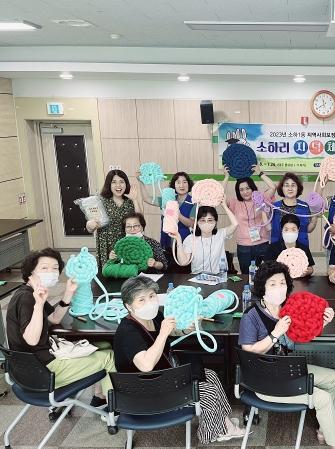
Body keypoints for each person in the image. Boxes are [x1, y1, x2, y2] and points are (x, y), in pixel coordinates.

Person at [113, 276, 244, 443]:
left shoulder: (154, 317)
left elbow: (170, 333)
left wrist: (185, 330)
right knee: (209, 393)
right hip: (145, 392)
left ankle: (223, 423)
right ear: (128, 306)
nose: (149, 303)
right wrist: (163, 333)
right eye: (141, 300)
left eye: (152, 296)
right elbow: (146, 365)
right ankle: (210, 434)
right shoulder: (128, 332)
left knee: (211, 375)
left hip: (161, 377)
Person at [238, 261, 335, 449]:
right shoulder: (251, 316)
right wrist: (275, 334)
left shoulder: (288, 309)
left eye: (282, 283)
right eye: (273, 284)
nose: (279, 288)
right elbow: (247, 354)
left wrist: (322, 322)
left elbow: (301, 336)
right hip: (262, 379)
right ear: (262, 288)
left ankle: (325, 430)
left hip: (286, 370)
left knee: (333, 378)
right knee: (322, 398)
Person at [6, 248, 115, 407]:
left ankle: (100, 396)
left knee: (104, 345)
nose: (51, 272)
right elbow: (32, 339)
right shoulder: (27, 299)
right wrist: (39, 304)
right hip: (43, 371)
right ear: (30, 272)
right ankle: (114, 409)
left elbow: (54, 318)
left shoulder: (28, 292)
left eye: (55, 268)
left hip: (30, 367)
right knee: (109, 356)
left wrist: (68, 293)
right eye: (44, 268)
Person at [138, 171, 196, 273]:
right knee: (167, 275)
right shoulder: (167, 198)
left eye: (184, 182)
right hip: (166, 244)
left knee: (183, 275)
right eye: (178, 182)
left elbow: (191, 223)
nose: (181, 185)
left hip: (184, 247)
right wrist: (140, 181)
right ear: (174, 185)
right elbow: (146, 198)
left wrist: (177, 214)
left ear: (189, 184)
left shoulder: (194, 202)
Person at [223, 163, 276, 274]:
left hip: (262, 243)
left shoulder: (260, 198)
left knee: (266, 274)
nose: (245, 192)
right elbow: (220, 195)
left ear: (252, 188)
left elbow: (273, 187)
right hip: (244, 247)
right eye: (241, 189)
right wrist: (226, 177)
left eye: (248, 188)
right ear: (238, 191)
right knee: (246, 275)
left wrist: (260, 173)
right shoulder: (234, 203)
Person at [86, 169, 141, 270]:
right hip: (106, 245)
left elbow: (140, 221)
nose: (118, 185)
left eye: (121, 182)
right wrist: (90, 225)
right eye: (114, 182)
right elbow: (90, 227)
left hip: (126, 243)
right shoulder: (100, 201)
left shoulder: (130, 201)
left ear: (126, 184)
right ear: (109, 184)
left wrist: (135, 200)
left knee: (127, 272)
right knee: (108, 274)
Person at [170, 203, 238, 275]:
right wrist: (178, 239)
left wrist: (224, 205)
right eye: (202, 220)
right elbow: (183, 262)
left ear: (215, 222)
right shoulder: (190, 239)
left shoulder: (220, 234)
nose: (206, 223)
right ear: (197, 223)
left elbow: (235, 224)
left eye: (210, 220)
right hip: (197, 277)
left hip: (218, 277)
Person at [270, 173, 319, 247]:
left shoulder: (304, 206)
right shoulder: (274, 207)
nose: (290, 188)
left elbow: (308, 229)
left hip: (301, 247)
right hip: (278, 247)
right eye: (286, 185)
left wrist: (315, 217)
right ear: (282, 188)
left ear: (298, 188)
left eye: (293, 185)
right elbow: (269, 228)